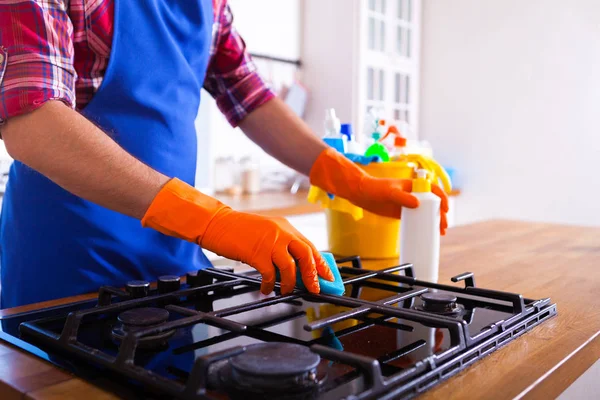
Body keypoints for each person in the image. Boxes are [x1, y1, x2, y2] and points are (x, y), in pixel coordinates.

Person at [0, 0, 448, 309]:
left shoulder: (209, 6)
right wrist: (212, 220)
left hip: (174, 266)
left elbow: (249, 95)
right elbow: (32, 122)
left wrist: (351, 180)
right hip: (67, 268)